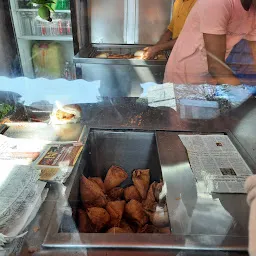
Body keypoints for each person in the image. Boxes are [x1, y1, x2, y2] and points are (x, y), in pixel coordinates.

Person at [164, 0, 256, 85]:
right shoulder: (217, 3)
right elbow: (215, 67)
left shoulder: (253, 10)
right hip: (181, 79)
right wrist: (245, 94)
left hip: (208, 82)